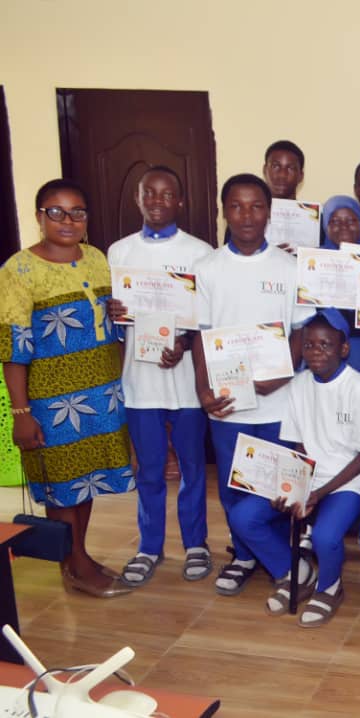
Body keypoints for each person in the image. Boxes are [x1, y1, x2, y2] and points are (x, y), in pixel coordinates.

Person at [0, 178, 132, 597]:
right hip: (52, 401)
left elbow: (107, 319)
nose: (68, 220)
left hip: (101, 391)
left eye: (77, 211)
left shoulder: (96, 258)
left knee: (88, 480)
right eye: (55, 211)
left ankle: (80, 554)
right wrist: (21, 414)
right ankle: (73, 563)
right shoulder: (19, 270)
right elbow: (13, 348)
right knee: (62, 485)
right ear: (39, 217)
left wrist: (118, 310)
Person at [191, 174, 314, 596]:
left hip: (280, 402)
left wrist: (280, 374)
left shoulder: (290, 266)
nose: (247, 215)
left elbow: (301, 332)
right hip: (229, 402)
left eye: (256, 206)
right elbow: (200, 336)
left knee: (276, 487)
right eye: (238, 206)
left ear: (269, 211)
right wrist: (203, 390)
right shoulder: (207, 269)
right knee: (232, 484)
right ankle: (248, 556)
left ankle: (279, 559)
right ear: (225, 211)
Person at [229, 309, 360, 625]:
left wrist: (318, 494)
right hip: (310, 476)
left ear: (344, 348)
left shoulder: (359, 388)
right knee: (243, 516)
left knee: (324, 536)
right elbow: (299, 445)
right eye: (309, 345)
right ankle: (294, 571)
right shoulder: (299, 385)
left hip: (347, 481)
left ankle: (330, 587)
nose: (316, 352)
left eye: (325, 345)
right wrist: (295, 485)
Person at [106, 166, 213, 586]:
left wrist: (183, 344)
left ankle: (196, 544)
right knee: (148, 471)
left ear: (180, 202)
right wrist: (115, 315)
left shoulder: (201, 253)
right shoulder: (119, 252)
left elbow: (205, 318)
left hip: (185, 382)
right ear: (137, 199)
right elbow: (116, 326)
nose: (156, 201)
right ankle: (149, 546)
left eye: (166, 195)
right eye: (149, 193)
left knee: (191, 470)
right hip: (140, 382)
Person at [318, 194, 360, 382]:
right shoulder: (311, 261)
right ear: (325, 226)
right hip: (320, 355)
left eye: (351, 220)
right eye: (335, 221)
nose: (344, 226)